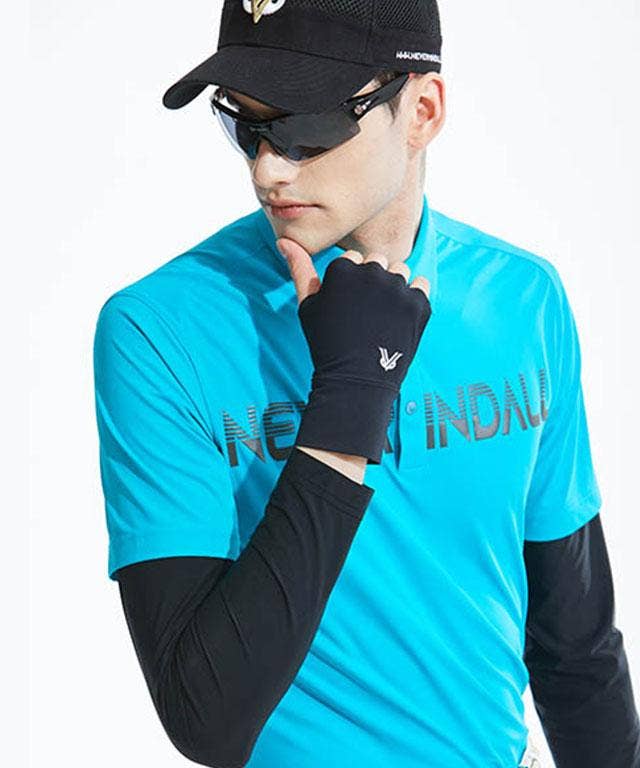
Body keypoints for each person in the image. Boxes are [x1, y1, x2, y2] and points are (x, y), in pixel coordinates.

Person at [92, 1, 640, 766]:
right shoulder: (160, 329)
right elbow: (205, 718)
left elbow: (573, 647)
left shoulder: (522, 302)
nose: (267, 169)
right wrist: (351, 397)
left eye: (305, 127)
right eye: (244, 125)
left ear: (422, 111)